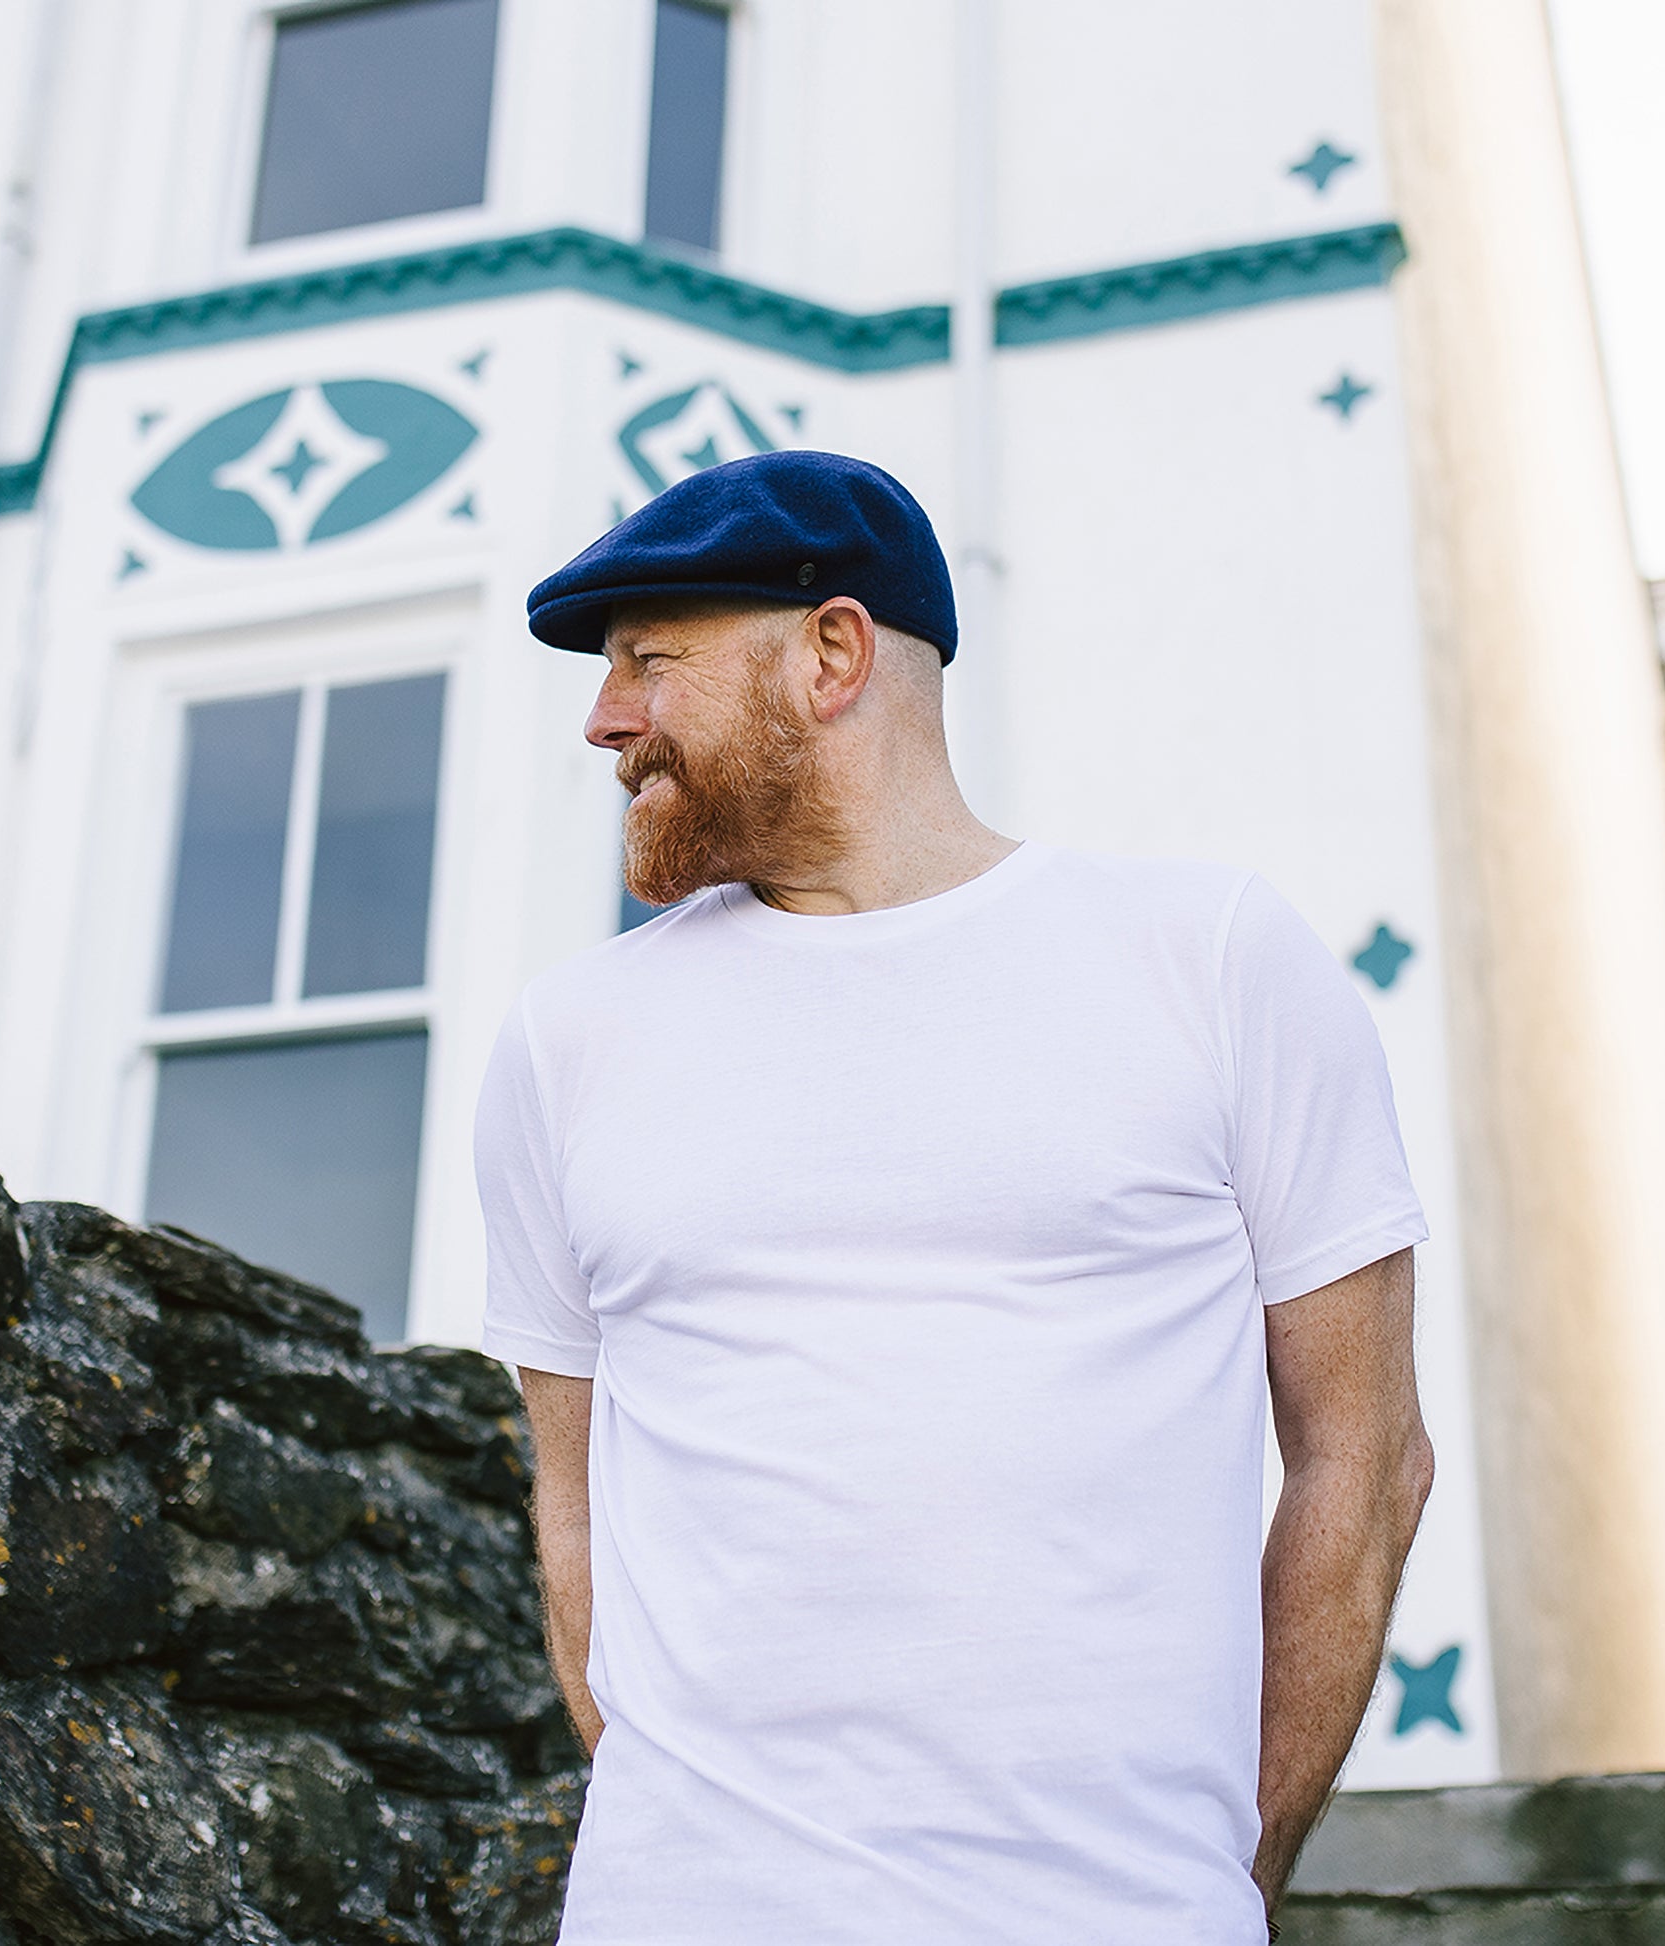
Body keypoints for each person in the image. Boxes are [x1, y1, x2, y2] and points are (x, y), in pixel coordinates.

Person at [474, 450, 1434, 1945]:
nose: (605, 718)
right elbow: (575, 1499)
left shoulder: (1213, 960)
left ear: (832, 654)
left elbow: (1361, 1464)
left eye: (649, 664)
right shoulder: (562, 1043)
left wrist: (1215, 1882)